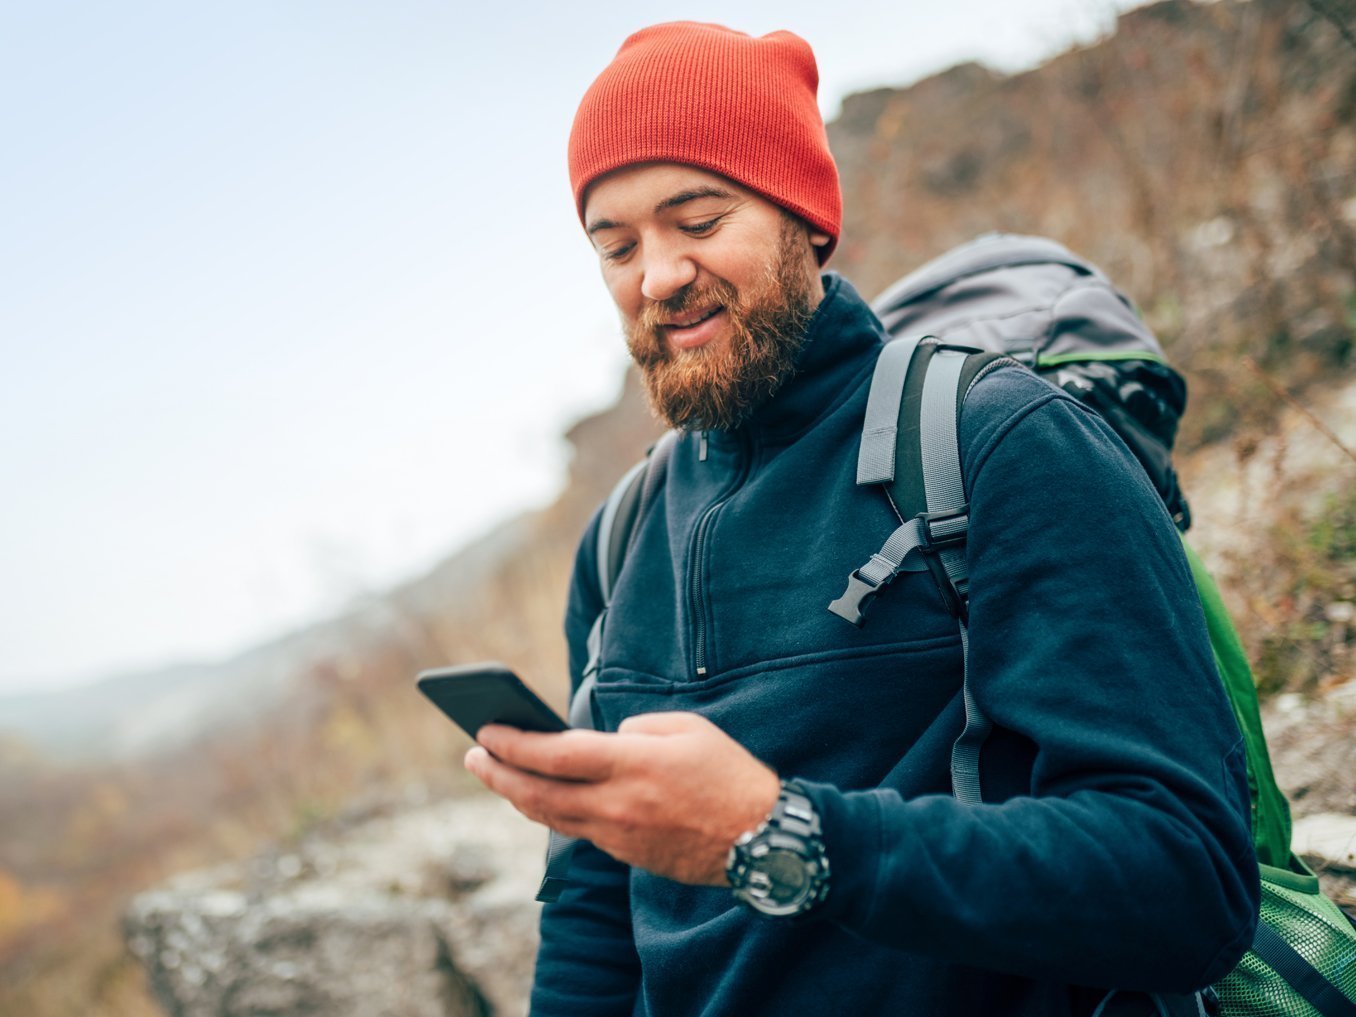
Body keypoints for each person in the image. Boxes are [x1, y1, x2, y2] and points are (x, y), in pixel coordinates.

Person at [464, 21, 1259, 1016]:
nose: (656, 276)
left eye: (699, 220)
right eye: (615, 245)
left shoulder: (999, 442)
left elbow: (1187, 880)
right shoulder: (621, 540)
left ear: (806, 219)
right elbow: (594, 910)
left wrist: (786, 835)